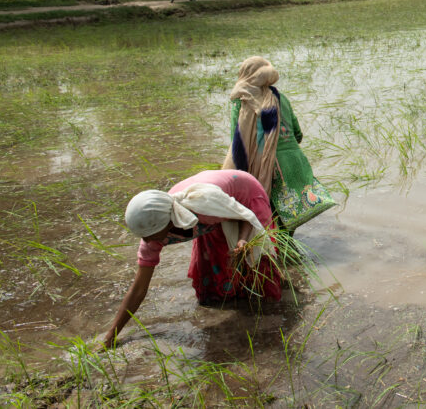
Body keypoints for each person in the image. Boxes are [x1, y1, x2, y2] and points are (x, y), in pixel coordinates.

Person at [104, 169, 281, 346]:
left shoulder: (203, 206)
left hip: (245, 195)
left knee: (258, 265)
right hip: (212, 214)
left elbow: (246, 215)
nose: (147, 241)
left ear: (168, 221)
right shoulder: (152, 234)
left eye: (151, 235)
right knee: (214, 273)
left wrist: (242, 240)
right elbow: (138, 289)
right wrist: (111, 335)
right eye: (143, 236)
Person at [223, 57, 335, 232]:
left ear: (245, 75)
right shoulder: (280, 97)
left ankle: (280, 255)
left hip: (272, 167)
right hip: (295, 160)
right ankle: (288, 252)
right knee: (288, 218)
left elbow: (237, 140)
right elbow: (297, 133)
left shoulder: (242, 99)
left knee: (268, 218)